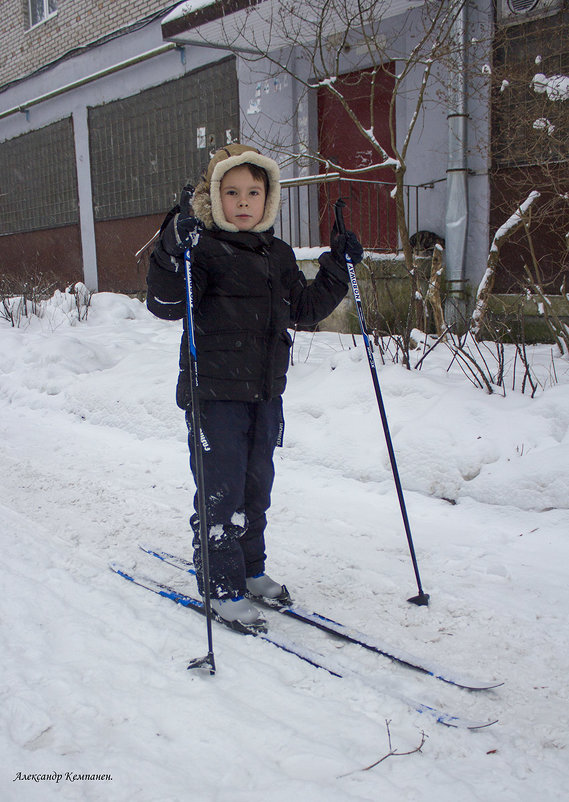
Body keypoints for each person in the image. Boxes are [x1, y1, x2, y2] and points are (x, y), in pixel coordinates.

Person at [146, 143, 363, 629]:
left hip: (265, 394)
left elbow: (304, 309)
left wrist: (336, 265)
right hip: (215, 396)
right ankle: (221, 586)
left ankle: (250, 569)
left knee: (255, 489)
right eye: (232, 192)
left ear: (269, 198)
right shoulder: (199, 248)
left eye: (254, 192)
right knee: (221, 494)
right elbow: (165, 303)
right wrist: (169, 250)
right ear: (212, 197)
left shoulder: (277, 253)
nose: (244, 202)